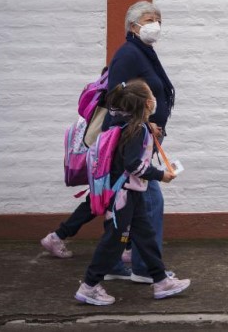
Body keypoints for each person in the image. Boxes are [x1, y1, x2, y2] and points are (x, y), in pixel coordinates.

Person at [42, 1, 176, 283]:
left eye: (158, 20)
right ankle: (144, 269)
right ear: (133, 25)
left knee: (129, 202)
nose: (156, 25)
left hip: (142, 139)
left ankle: (120, 262)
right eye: (150, 19)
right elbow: (117, 99)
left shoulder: (144, 52)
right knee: (148, 201)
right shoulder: (129, 54)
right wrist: (141, 124)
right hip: (132, 142)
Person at [75, 79, 189, 305]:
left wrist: (148, 128)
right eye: (153, 97)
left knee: (145, 237)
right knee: (113, 242)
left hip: (130, 195)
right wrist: (161, 175)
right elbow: (133, 165)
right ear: (148, 104)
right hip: (123, 198)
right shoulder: (136, 131)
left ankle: (160, 281)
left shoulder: (127, 124)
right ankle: (89, 286)